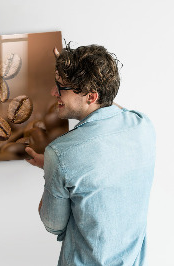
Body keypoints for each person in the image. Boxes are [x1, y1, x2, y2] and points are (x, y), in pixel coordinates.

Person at [25, 44, 156, 265]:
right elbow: (110, 107)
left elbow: (53, 225)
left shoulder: (60, 154)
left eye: (61, 87)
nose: (53, 92)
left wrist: (52, 170)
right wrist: (74, 72)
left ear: (91, 96)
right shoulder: (143, 125)